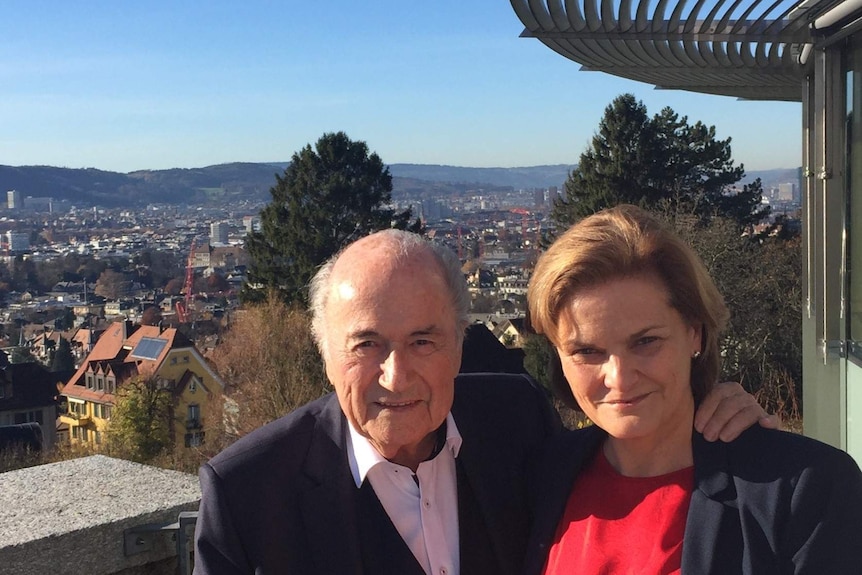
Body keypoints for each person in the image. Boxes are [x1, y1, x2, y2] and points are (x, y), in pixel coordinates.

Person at [193, 228, 773, 575]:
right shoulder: (248, 491)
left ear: (460, 341)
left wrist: (721, 424)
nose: (396, 376)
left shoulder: (513, 420)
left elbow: (633, 447)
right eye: (366, 345)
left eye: (424, 340)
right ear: (324, 353)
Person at [524, 204, 862, 575]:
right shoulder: (541, 475)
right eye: (587, 351)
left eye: (646, 341)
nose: (618, 377)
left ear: (695, 333)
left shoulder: (806, 489)